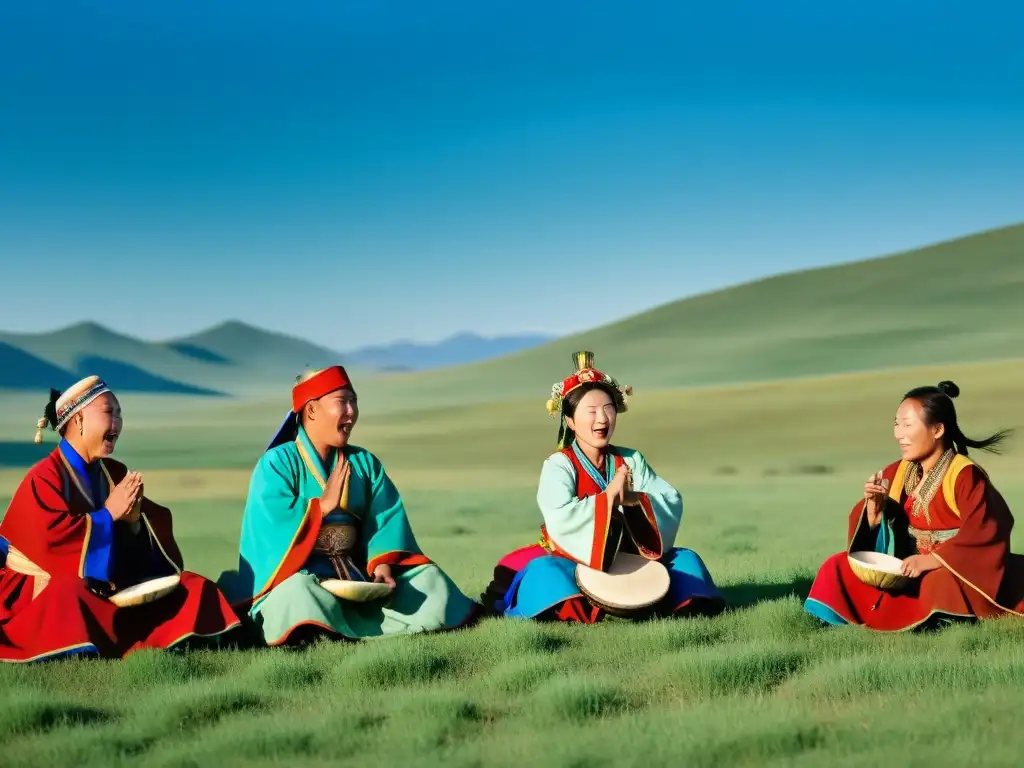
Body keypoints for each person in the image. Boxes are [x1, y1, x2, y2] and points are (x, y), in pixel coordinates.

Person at [231, 366, 479, 646]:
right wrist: (320, 507)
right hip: (301, 578)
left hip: (358, 578)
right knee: (299, 595)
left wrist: (382, 564)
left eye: (354, 401)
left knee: (430, 581)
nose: (351, 411)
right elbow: (268, 533)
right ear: (311, 410)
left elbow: (385, 521)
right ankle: (319, 631)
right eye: (342, 402)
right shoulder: (277, 464)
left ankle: (341, 630)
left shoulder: (365, 464)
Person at [0, 376, 242, 663]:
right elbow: (53, 545)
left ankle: (166, 639)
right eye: (108, 412)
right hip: (40, 589)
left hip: (110, 585)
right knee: (70, 594)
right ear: (78, 420)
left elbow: (141, 553)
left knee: (191, 585)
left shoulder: (112, 472)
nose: (117, 422)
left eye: (120, 414)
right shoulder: (43, 477)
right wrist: (108, 516)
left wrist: (134, 523)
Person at [483, 352, 725, 622]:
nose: (602, 419)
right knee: (546, 572)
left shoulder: (632, 459)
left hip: (634, 557)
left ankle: (672, 604)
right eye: (591, 411)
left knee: (686, 561)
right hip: (575, 557)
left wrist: (634, 499)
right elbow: (560, 516)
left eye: (608, 408)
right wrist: (608, 498)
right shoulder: (559, 465)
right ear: (570, 421)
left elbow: (668, 499)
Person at [805, 380, 1024, 630]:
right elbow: (876, 530)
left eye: (908, 425)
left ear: (937, 430)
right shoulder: (897, 472)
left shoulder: (964, 475)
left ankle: (932, 620)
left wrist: (932, 560)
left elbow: (986, 530)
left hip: (953, 568)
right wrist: (874, 510)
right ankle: (839, 619)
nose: (899, 434)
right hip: (905, 566)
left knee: (938, 584)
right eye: (897, 424)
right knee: (837, 565)